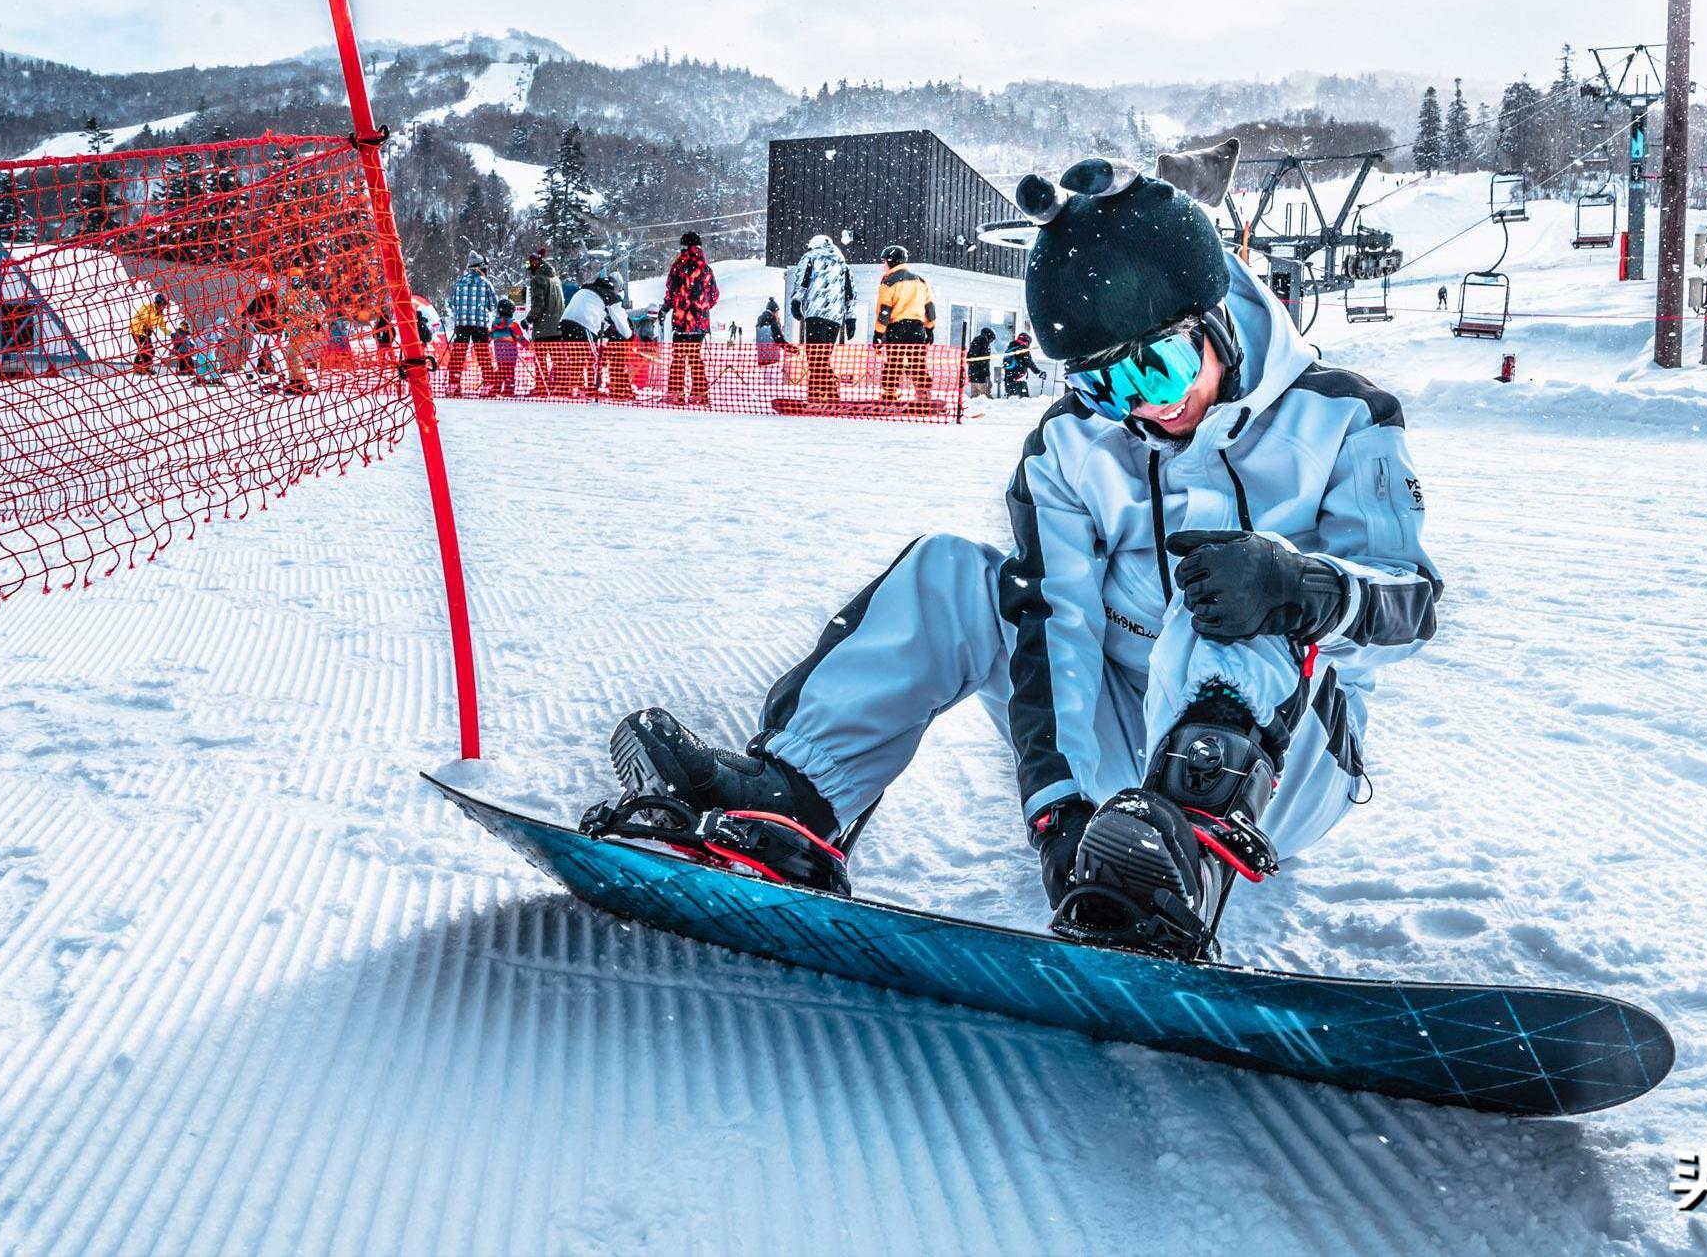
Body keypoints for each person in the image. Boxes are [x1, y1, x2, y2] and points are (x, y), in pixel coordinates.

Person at [589, 145, 1441, 961]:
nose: (1143, 409)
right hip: (1121, 749)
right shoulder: (1071, 447)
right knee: (950, 575)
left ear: (1215, 315)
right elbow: (1056, 628)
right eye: (1104, 384)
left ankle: (1186, 856)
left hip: (1284, 765)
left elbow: (1413, 602)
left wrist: (1308, 587)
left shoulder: (1344, 418)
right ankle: (796, 799)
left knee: (1225, 586)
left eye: (1162, 367)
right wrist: (1064, 817)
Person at [786, 233, 855, 406]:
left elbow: (801, 281)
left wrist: (796, 302)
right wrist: (850, 318)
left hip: (816, 314)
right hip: (835, 318)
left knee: (815, 358)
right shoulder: (843, 264)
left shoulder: (810, 257)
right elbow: (850, 293)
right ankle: (828, 393)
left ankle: (818, 394)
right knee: (823, 357)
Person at [662, 231, 719, 406]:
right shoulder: (706, 269)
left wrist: (666, 308)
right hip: (699, 322)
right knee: (695, 357)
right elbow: (714, 295)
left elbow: (671, 292)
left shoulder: (678, 267)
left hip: (680, 321)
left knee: (678, 356)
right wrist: (701, 308)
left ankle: (676, 393)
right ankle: (699, 394)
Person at [873, 244, 936, 404]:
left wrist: (878, 334)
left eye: (884, 261)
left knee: (894, 362)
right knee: (917, 363)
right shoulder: (921, 281)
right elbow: (929, 307)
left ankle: (890, 394)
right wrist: (930, 329)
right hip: (918, 328)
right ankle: (924, 395)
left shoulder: (888, 282)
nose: (883, 265)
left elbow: (884, 311)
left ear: (891, 261)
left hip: (897, 328)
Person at [445, 253, 501, 396]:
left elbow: (451, 304)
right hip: (479, 325)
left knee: (458, 353)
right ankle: (487, 385)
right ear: (481, 266)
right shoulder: (485, 283)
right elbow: (493, 305)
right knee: (483, 354)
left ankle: (453, 384)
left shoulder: (458, 283)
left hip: (461, 324)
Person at [520, 249, 566, 397]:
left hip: (543, 328)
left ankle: (542, 387)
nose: (529, 268)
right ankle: (561, 387)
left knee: (540, 360)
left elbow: (538, 303)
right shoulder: (556, 279)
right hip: (558, 326)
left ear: (535, 263)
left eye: (530, 264)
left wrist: (529, 319)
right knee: (559, 360)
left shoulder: (538, 280)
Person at [489, 298, 526, 397]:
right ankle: (509, 390)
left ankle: (496, 388)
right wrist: (527, 345)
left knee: (501, 371)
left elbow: (490, 336)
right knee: (510, 372)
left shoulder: (494, 323)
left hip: (499, 354)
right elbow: (519, 337)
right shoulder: (513, 323)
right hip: (511, 354)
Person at [129, 293, 171, 375]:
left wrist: (171, 333)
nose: (164, 306)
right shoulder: (148, 307)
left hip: (146, 333)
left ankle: (145, 368)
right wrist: (144, 326)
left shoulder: (161, 314)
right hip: (137, 331)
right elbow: (138, 317)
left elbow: (162, 326)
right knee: (145, 350)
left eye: (165, 304)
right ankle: (139, 369)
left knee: (150, 351)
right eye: (164, 304)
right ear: (159, 302)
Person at [1001, 328, 1036, 398]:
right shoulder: (1023, 349)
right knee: (1023, 401)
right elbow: (1030, 363)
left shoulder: (1010, 349)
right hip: (1019, 379)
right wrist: (1039, 372)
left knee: (1011, 400)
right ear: (1027, 341)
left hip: (1008, 378)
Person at [965, 326, 996, 399]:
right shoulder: (985, 345)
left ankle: (974, 410)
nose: (990, 342)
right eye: (991, 340)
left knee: (974, 398)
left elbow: (968, 359)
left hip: (972, 376)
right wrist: (988, 378)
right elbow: (985, 363)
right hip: (981, 377)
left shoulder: (974, 343)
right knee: (987, 398)